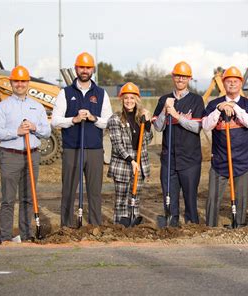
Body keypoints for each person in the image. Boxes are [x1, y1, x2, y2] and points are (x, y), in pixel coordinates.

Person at [51, 52, 113, 227]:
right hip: (72, 148)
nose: (84, 70)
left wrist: (93, 118)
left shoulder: (101, 94)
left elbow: (108, 122)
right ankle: (67, 226)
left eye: (88, 67)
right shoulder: (65, 92)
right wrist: (74, 120)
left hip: (94, 149)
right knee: (69, 189)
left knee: (94, 191)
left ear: (92, 69)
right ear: (76, 68)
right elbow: (55, 120)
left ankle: (95, 226)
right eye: (81, 67)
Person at [0, 66, 51, 242]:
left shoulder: (37, 107)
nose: (20, 84)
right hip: (10, 155)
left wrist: (34, 127)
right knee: (8, 199)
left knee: (28, 197)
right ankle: (5, 236)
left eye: (23, 81)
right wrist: (16, 131)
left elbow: (47, 132)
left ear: (28, 83)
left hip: (31, 155)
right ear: (11, 82)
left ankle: (27, 235)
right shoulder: (3, 107)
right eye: (16, 81)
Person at [202, 66, 248, 227]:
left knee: (241, 197)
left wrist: (234, 107)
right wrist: (219, 109)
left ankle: (238, 225)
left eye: (235, 81)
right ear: (223, 84)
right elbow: (206, 126)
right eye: (228, 81)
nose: (232, 84)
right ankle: (211, 226)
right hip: (220, 160)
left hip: (243, 160)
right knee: (213, 197)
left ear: (240, 83)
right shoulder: (214, 104)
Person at [152, 61, 204, 226]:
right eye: (178, 75)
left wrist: (176, 116)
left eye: (184, 76)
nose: (180, 79)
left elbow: (197, 127)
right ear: (173, 77)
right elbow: (158, 127)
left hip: (190, 159)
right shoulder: (163, 100)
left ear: (189, 78)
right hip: (169, 159)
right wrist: (164, 111)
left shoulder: (196, 100)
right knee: (169, 199)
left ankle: (192, 227)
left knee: (190, 199)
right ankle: (171, 226)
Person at [107, 82, 152, 224]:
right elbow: (117, 144)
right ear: (121, 99)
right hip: (123, 163)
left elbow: (147, 140)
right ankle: (119, 227)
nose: (129, 101)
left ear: (137, 99)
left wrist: (148, 123)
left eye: (132, 98)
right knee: (121, 200)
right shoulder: (115, 119)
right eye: (126, 98)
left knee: (135, 198)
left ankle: (133, 226)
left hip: (140, 163)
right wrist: (131, 161)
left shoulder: (141, 119)